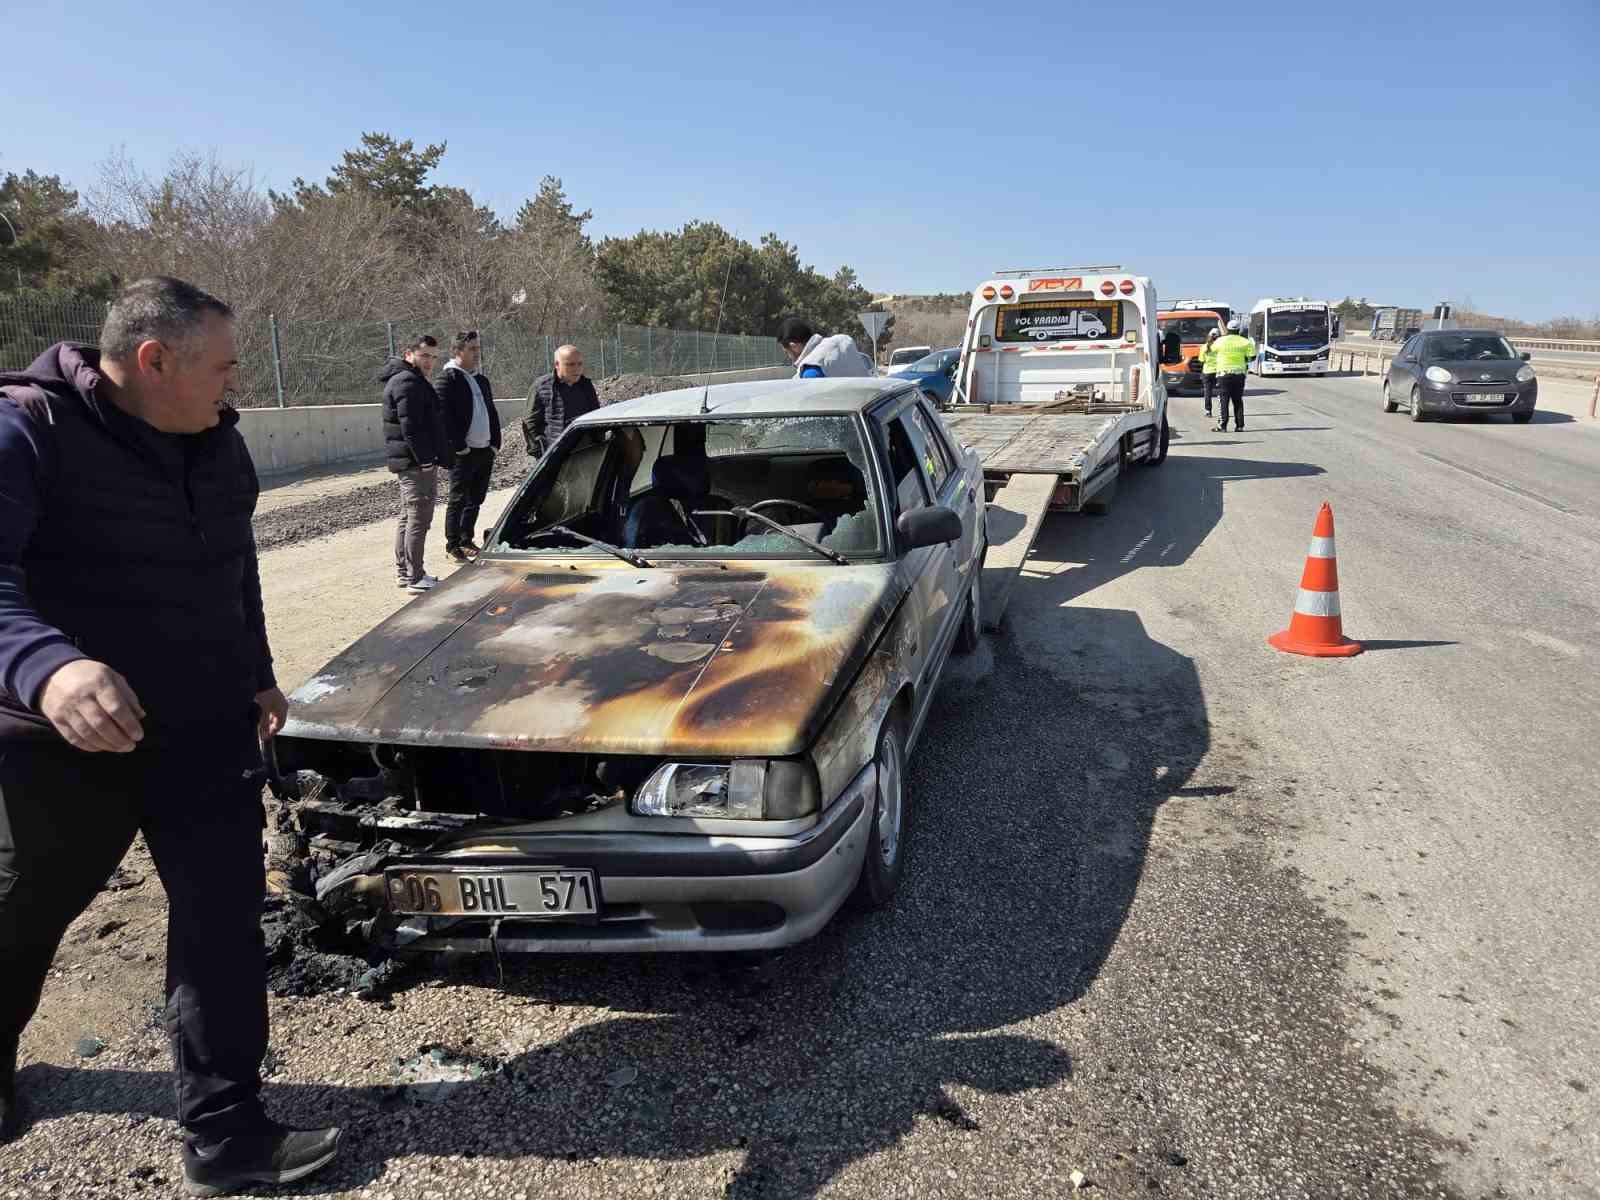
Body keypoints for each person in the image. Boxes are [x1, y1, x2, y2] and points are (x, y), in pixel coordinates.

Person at [0, 277, 341, 1193]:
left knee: (222, 926)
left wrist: (257, 669)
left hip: (203, 731)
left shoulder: (218, 439)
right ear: (154, 361)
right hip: (63, 747)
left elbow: (235, 565)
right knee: (22, 916)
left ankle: (226, 1134)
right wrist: (49, 668)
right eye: (223, 366)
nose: (237, 385)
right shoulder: (27, 429)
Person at [380, 335, 445, 592]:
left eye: (433, 357)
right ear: (409, 354)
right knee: (418, 518)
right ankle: (415, 576)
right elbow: (412, 428)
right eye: (424, 355)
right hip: (415, 464)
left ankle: (405, 572)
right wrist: (426, 460)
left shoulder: (408, 379)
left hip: (410, 462)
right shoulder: (407, 382)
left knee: (408, 517)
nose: (430, 362)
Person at [436, 331, 501, 563]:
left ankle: (466, 539)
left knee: (476, 498)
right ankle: (452, 544)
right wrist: (459, 447)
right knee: (458, 499)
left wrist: (495, 444)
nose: (477, 353)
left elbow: (491, 412)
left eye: (478, 349)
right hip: (464, 453)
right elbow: (444, 417)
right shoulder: (448, 379)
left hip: (485, 450)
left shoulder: (481, 380)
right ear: (457, 351)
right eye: (472, 349)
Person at [521, 344, 598, 457]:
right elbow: (530, 422)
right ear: (557, 364)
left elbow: (595, 415)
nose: (576, 368)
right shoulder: (541, 386)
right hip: (554, 453)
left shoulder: (586, 386)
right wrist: (539, 453)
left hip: (584, 452)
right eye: (570, 364)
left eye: (580, 364)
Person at [775, 317, 871, 379]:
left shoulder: (811, 370)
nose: (789, 357)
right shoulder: (842, 341)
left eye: (787, 352)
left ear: (794, 346)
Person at [1211, 319, 1257, 432]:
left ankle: (1222, 426)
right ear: (1239, 330)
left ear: (1227, 329)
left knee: (1223, 400)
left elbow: (1212, 350)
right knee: (1237, 400)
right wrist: (1244, 359)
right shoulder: (1245, 342)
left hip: (1224, 374)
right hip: (1239, 374)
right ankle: (1239, 426)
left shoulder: (1220, 341)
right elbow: (1252, 356)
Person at [1200, 326, 1222, 419]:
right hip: (1219, 371)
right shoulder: (1221, 346)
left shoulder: (1204, 347)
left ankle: (1208, 411)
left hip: (1207, 371)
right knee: (1221, 392)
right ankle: (1222, 411)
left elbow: (1201, 360)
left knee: (1207, 392)